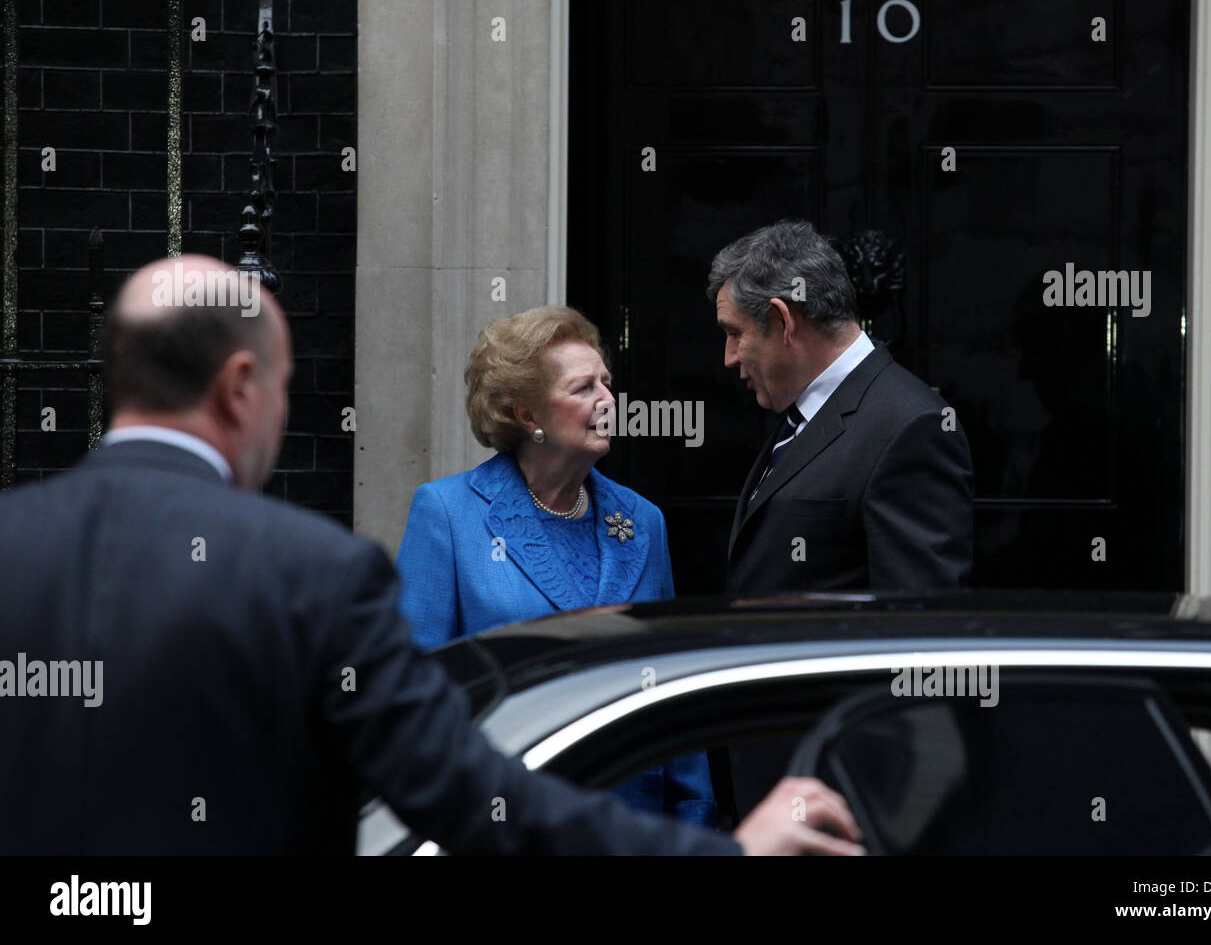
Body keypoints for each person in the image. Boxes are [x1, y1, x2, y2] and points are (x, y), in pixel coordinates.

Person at [0, 255, 862, 855]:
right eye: (283, 389)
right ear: (236, 388)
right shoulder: (315, 572)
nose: (606, 401)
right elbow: (441, 774)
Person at [396, 306, 716, 826]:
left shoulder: (643, 521)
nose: (609, 401)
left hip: (630, 819)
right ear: (528, 415)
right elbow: (417, 696)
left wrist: (693, 812)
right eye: (583, 387)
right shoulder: (450, 515)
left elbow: (672, 678)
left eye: (607, 384)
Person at [708, 219, 974, 814]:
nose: (728, 358)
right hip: (779, 779)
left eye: (734, 333)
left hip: (839, 793)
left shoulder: (908, 425)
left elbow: (922, 643)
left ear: (781, 321)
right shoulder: (806, 411)